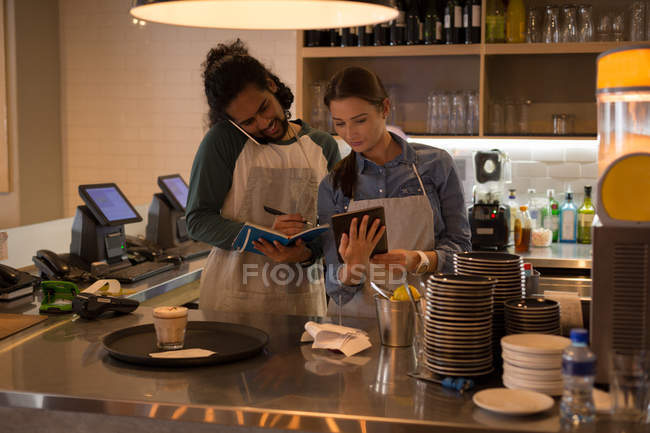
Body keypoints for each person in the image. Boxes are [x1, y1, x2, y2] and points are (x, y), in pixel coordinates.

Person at [186, 40, 340, 316]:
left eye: (264, 108)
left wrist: (305, 253)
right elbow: (198, 220)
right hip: (233, 297)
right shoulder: (223, 142)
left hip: (302, 295)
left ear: (271, 85)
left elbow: (337, 225)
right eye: (247, 122)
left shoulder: (323, 145)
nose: (262, 124)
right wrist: (266, 235)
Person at [317, 66, 471, 317]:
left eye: (360, 120)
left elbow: (462, 251)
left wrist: (419, 260)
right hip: (356, 329)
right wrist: (352, 268)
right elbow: (336, 290)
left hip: (427, 318)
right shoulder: (333, 185)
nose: (349, 134)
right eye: (339, 124)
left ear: (385, 109)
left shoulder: (436, 165)